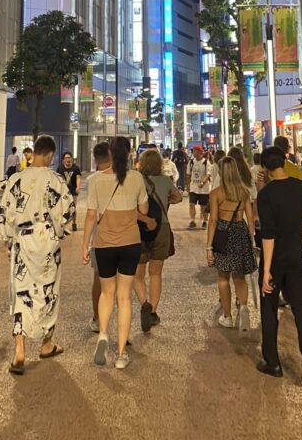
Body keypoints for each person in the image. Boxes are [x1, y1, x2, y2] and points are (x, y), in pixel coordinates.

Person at [0, 135, 76, 374]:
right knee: (48, 291)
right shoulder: (55, 179)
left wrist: (10, 240)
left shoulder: (15, 179)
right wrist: (60, 231)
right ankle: (46, 343)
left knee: (21, 292)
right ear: (49, 155)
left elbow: (6, 213)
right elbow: (68, 211)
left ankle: (19, 350)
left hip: (22, 238)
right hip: (47, 239)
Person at [257, 144, 302, 393]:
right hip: (296, 254)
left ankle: (272, 362)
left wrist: (266, 271)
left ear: (265, 167)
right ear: (285, 162)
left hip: (274, 259)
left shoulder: (265, 196)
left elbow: (268, 235)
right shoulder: (299, 188)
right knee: (300, 308)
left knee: (269, 308)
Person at [82, 135, 153, 370]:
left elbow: (91, 216)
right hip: (130, 243)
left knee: (106, 293)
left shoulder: (95, 181)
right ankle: (121, 353)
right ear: (130, 153)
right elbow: (143, 208)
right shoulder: (136, 178)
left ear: (110, 154)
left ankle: (103, 333)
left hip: (104, 244)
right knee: (124, 297)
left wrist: (85, 246)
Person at [207, 157, 257, 332]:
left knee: (223, 276)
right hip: (240, 231)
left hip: (222, 232)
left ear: (221, 172)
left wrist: (209, 247)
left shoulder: (216, 193)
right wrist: (249, 239)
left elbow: (213, 219)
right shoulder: (243, 191)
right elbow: (250, 218)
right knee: (240, 276)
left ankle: (227, 316)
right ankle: (243, 307)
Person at [135, 147, 182, 330]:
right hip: (161, 227)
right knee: (155, 273)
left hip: (140, 228)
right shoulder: (165, 180)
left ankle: (144, 303)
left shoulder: (137, 180)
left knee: (137, 274)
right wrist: (166, 201)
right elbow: (178, 198)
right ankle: (153, 312)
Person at [88, 141, 112, 332]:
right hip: (124, 236)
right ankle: (121, 322)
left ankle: (97, 318)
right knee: (121, 282)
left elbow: (91, 214)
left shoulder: (93, 180)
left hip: (101, 237)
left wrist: (85, 242)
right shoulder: (124, 177)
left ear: (95, 159)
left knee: (98, 278)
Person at [57, 151, 82, 230]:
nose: (68, 159)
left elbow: (78, 178)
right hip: (63, 192)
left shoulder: (76, 168)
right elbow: (57, 179)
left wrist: (78, 187)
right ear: (63, 160)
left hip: (73, 192)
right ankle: (62, 223)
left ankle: (74, 223)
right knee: (62, 208)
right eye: (66, 158)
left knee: (73, 208)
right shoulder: (60, 168)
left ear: (71, 159)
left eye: (69, 158)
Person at [187, 145, 211, 229]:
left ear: (200, 152)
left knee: (203, 206)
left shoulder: (206, 162)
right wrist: (187, 185)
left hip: (204, 189)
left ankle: (205, 221)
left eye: (195, 151)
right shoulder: (191, 162)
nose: (194, 153)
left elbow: (208, 174)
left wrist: (203, 182)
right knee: (191, 204)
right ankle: (192, 220)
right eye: (193, 151)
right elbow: (188, 174)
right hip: (193, 187)